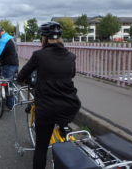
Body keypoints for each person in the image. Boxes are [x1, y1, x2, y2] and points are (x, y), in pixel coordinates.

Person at [16, 21, 81, 169]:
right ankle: (64, 132)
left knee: (41, 148)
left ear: (44, 38)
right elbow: (71, 74)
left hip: (47, 107)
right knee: (62, 123)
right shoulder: (71, 56)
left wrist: (22, 80)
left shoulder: (39, 55)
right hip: (70, 104)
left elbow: (22, 75)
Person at [0, 26, 19, 110]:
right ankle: (11, 102)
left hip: (8, 65)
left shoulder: (3, 39)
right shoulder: (10, 37)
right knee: (11, 83)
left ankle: (10, 105)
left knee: (7, 84)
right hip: (14, 63)